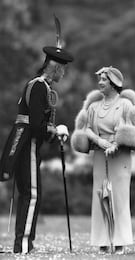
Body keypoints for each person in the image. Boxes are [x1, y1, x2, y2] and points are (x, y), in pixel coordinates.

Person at [0, 24, 74, 253]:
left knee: (30, 194)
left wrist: (50, 131)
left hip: (29, 143)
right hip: (27, 144)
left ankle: (24, 243)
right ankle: (23, 245)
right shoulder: (39, 86)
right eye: (63, 69)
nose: (64, 74)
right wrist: (55, 131)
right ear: (55, 68)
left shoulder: (42, 87)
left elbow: (39, 123)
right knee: (31, 194)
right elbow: (35, 125)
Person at [70, 66, 135, 254]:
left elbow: (125, 128)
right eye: (100, 79)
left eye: (104, 79)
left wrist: (115, 145)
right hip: (99, 153)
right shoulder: (94, 106)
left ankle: (119, 242)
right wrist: (99, 141)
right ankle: (102, 241)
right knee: (99, 195)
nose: (100, 82)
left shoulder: (125, 105)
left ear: (114, 84)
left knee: (118, 197)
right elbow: (87, 128)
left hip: (119, 155)